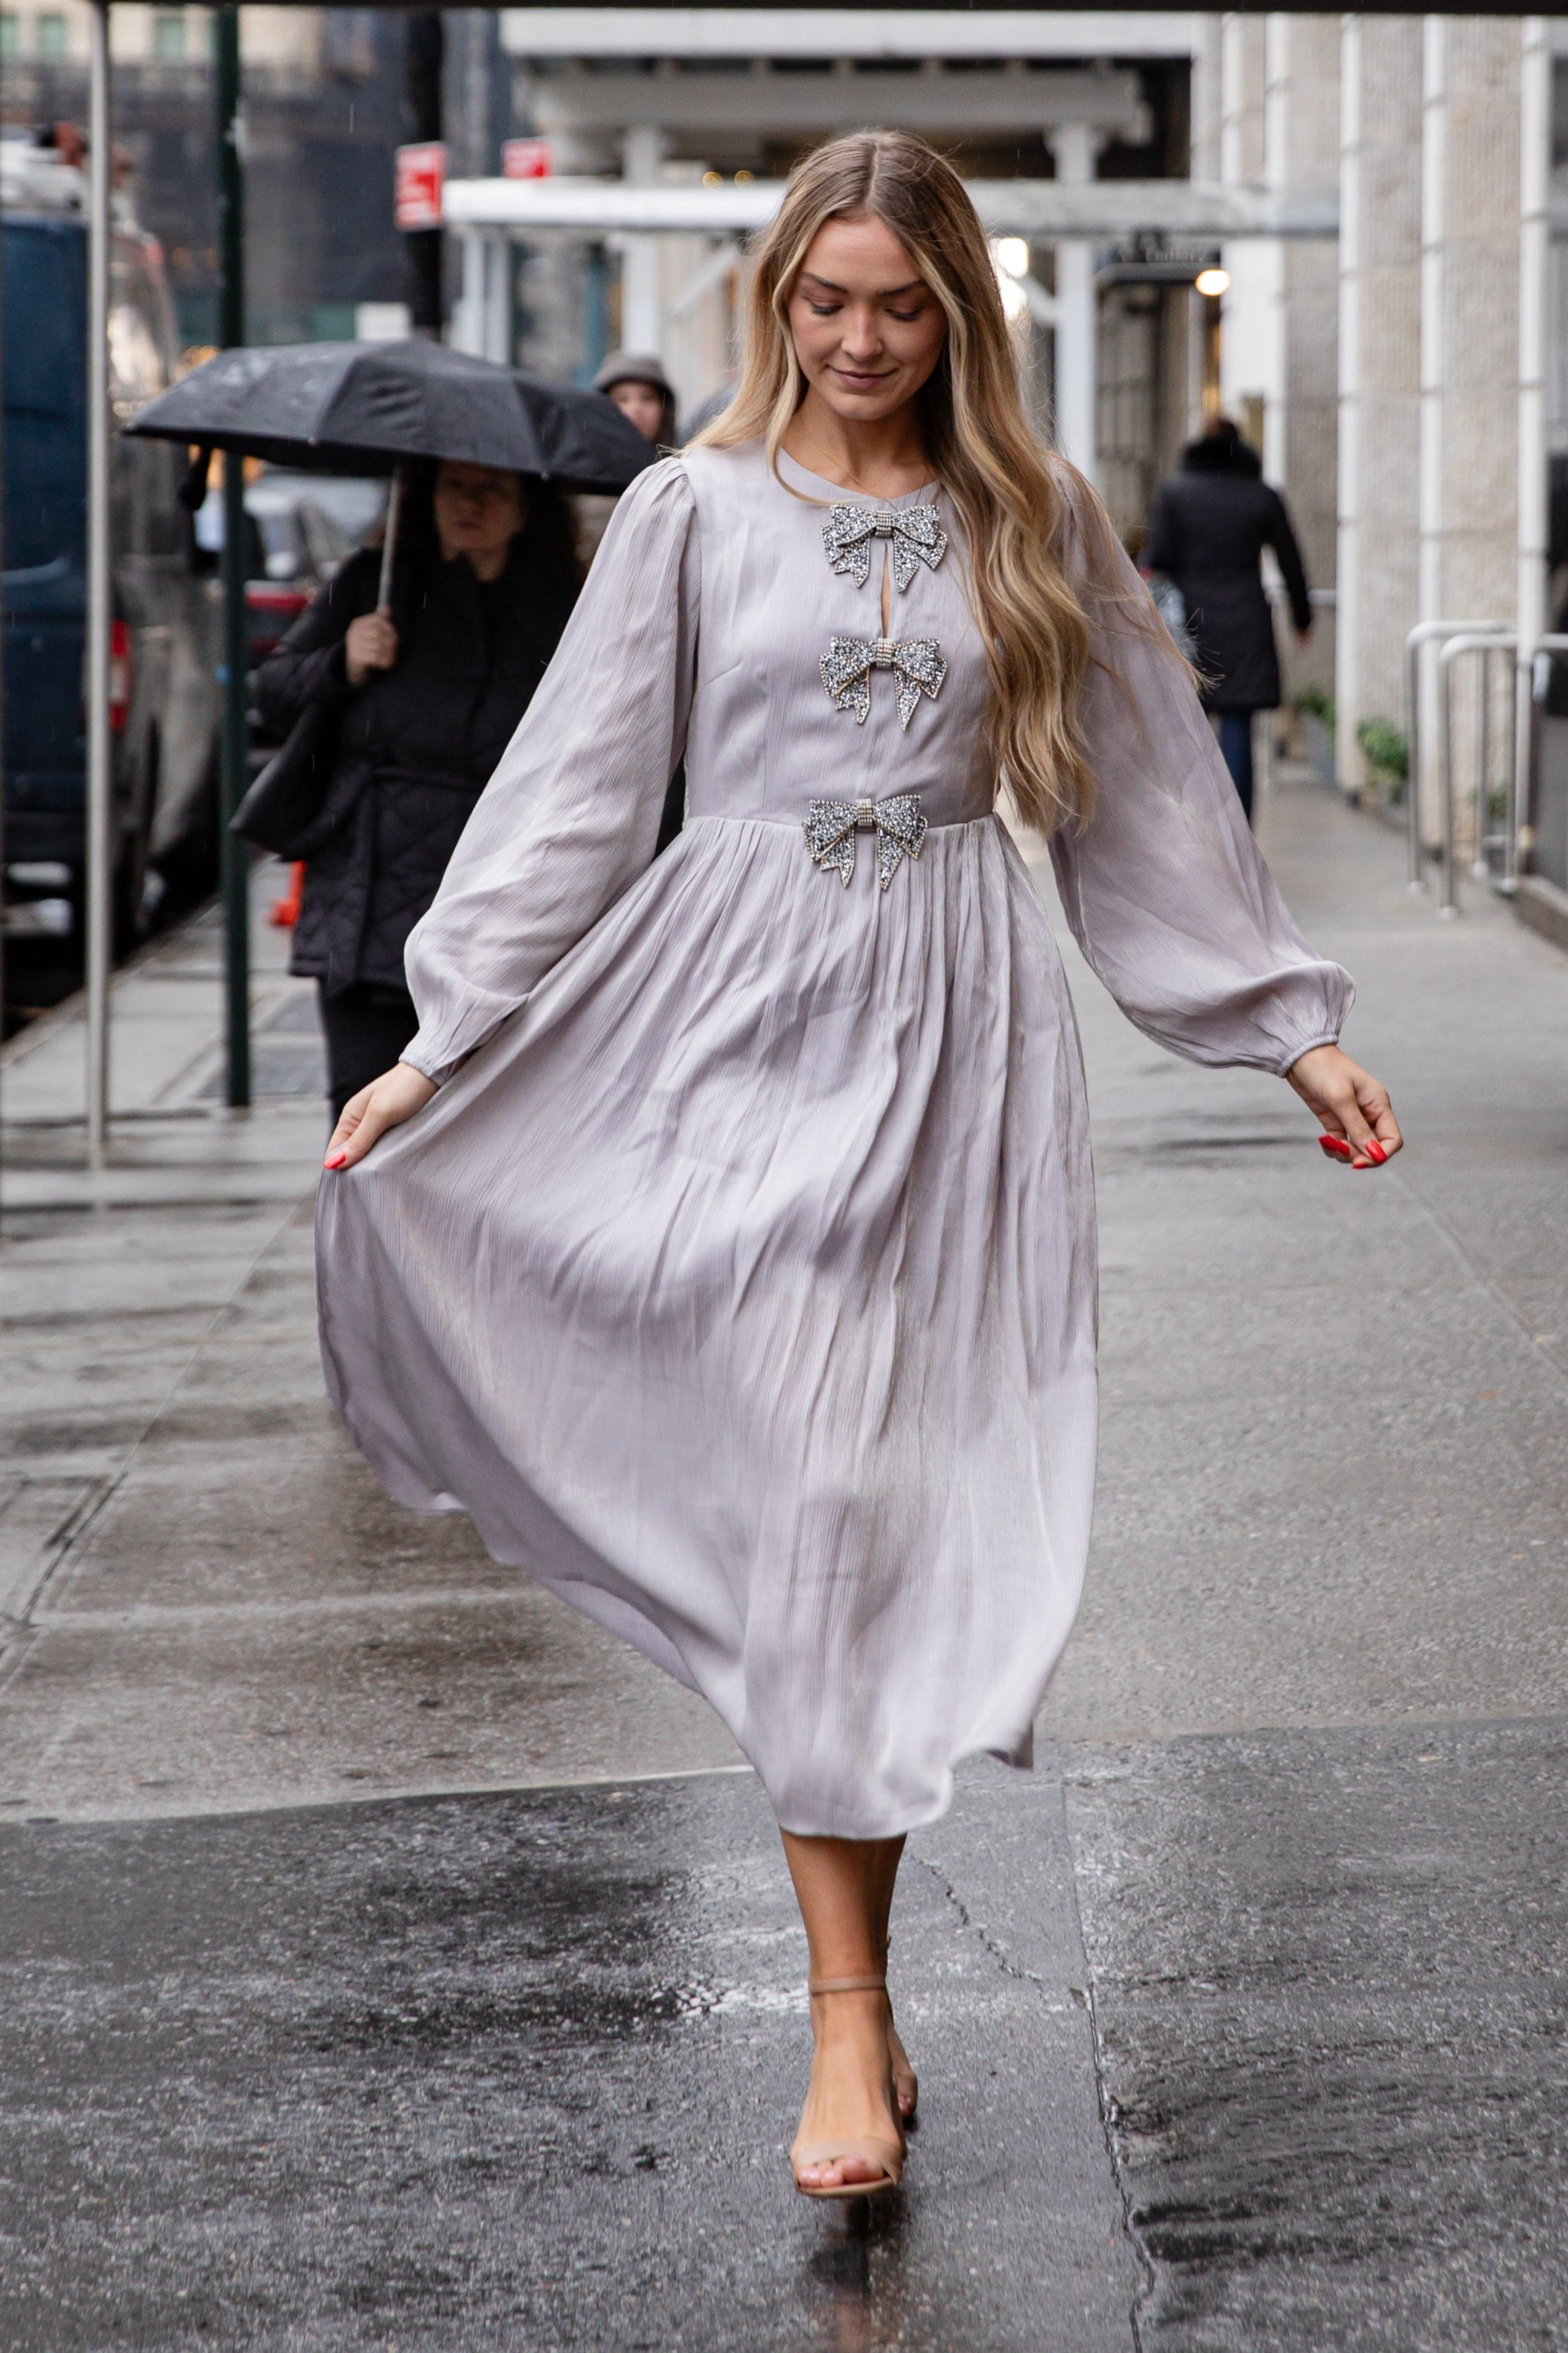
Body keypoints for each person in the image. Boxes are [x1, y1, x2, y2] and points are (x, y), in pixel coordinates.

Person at [314, 133, 1401, 2202]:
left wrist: (1291, 1024)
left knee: (865, 1507)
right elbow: (570, 789)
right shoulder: (690, 510)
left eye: (898, 306)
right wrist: (444, 1043)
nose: (857, 342)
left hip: (947, 1031)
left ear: (957, 311)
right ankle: (841, 2011)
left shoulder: (1037, 512)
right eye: (822, 302)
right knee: (808, 1483)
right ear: (773, 300)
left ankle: (858, 1992)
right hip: (717, 1018)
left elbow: (1144, 807)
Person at [253, 459, 580, 1120]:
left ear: (527, 510)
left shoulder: (568, 609)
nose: (471, 502)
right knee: (360, 1118)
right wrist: (342, 659)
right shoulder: (375, 586)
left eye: (494, 488)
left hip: (495, 904)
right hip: (368, 896)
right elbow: (273, 694)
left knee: (476, 1131)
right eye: (455, 486)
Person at [1142, 416, 1314, 823]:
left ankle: (1198, 828)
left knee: (1190, 727)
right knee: (1238, 724)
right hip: (1246, 622)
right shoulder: (1261, 496)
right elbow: (1291, 562)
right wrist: (1301, 619)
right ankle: (1239, 831)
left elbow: (1157, 558)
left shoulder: (1176, 493)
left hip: (1189, 624)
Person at [593, 350, 678, 449]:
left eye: (647, 398)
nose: (636, 408)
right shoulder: (581, 463)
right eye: (622, 399)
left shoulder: (686, 462)